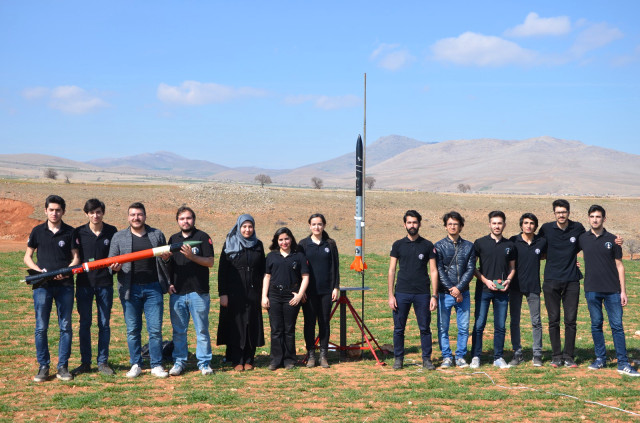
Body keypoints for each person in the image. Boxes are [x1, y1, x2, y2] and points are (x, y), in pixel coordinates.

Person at [109, 202, 171, 378]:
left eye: (139, 214)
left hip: (153, 288)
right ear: (128, 217)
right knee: (132, 330)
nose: (136, 218)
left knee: (155, 330)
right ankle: (136, 363)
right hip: (130, 289)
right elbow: (110, 262)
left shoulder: (157, 234)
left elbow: (165, 262)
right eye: (132, 215)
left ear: (145, 216)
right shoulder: (119, 237)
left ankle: (157, 364)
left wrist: (166, 260)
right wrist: (114, 267)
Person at [25, 195, 79, 382]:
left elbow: (76, 259)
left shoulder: (70, 232)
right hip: (42, 286)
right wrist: (40, 272)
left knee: (65, 327)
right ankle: (43, 366)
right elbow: (27, 257)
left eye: (58, 210)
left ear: (63, 211)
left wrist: (66, 271)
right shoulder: (37, 231)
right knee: (41, 328)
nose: (54, 213)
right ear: (45, 211)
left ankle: (63, 367)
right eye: (51, 209)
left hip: (64, 286)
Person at [579, 205, 639, 376]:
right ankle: (600, 359)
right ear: (588, 218)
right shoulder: (583, 238)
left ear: (604, 219)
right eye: (592, 216)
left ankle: (623, 362)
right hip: (591, 290)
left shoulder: (613, 240)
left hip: (613, 291)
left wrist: (623, 291)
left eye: (598, 216)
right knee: (596, 325)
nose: (595, 219)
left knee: (617, 326)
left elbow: (620, 266)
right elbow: (568, 254)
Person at [70, 198, 118, 376]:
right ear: (86, 214)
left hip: (105, 284)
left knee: (104, 324)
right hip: (84, 285)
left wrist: (116, 267)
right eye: (91, 212)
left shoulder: (112, 231)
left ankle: (103, 362)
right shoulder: (79, 232)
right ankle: (85, 363)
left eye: (98, 211)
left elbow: (117, 256)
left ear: (103, 212)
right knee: (85, 324)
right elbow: (75, 258)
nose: (95, 215)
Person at [387, 210, 438, 371]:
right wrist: (390, 295)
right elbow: (392, 270)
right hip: (401, 292)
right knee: (399, 328)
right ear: (404, 225)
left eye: (415, 222)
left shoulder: (428, 245)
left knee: (424, 328)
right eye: (409, 222)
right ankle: (398, 358)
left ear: (420, 224)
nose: (412, 225)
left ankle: (426, 359)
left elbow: (434, 271)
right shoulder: (398, 245)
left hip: (422, 293)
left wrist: (434, 295)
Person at [166, 206, 215, 376]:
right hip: (178, 292)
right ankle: (179, 361)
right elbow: (169, 265)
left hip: (198, 292)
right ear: (177, 220)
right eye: (182, 218)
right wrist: (169, 283)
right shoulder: (173, 239)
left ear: (193, 219)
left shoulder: (202, 237)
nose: (185, 221)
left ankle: (204, 363)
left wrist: (192, 257)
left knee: (201, 329)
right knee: (179, 330)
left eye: (188, 218)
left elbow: (210, 262)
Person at [538, 199, 585, 368]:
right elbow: (537, 248)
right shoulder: (546, 229)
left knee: (571, 320)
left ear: (569, 213)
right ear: (554, 214)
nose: (561, 215)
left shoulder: (577, 228)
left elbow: (588, 242)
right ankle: (556, 356)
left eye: (564, 212)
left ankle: (569, 356)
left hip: (572, 281)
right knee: (553, 320)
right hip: (551, 280)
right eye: (558, 212)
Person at [217, 214, 266, 371]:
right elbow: (222, 271)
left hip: (253, 292)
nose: (247, 229)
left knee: (251, 324)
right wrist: (222, 293)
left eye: (250, 226)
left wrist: (263, 294)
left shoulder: (258, 245)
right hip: (233, 293)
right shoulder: (229, 243)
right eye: (244, 226)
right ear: (238, 227)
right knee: (236, 325)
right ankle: (237, 359)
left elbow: (263, 270)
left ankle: (249, 358)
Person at [470, 211, 516, 369]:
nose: (497, 226)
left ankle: (498, 357)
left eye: (500, 223)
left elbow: (512, 267)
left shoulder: (509, 245)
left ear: (504, 224)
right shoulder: (479, 243)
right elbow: (473, 268)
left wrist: (508, 280)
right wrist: (485, 281)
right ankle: (476, 356)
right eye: (494, 223)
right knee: (479, 324)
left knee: (500, 325)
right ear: (489, 224)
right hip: (483, 289)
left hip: (502, 291)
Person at [262, 227, 309, 370]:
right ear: (277, 241)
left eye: (286, 239)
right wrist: (264, 296)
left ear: (291, 239)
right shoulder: (271, 256)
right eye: (281, 239)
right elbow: (267, 276)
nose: (284, 242)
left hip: (291, 296)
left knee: (289, 329)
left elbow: (305, 277)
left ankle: (289, 360)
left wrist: (300, 295)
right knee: (276, 329)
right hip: (274, 295)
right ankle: (276, 360)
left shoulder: (299, 256)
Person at [297, 213, 340, 369]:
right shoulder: (303, 244)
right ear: (309, 226)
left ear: (324, 226)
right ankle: (311, 355)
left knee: (324, 322)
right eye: (314, 224)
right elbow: (299, 269)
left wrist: (336, 287)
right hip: (308, 292)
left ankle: (323, 355)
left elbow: (335, 267)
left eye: (320, 224)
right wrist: (301, 291)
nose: (317, 227)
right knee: (309, 323)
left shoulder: (330, 244)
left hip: (326, 291)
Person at [434, 211, 475, 369]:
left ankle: (460, 356)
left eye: (456, 224)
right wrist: (452, 289)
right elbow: (439, 270)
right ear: (445, 226)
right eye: (450, 224)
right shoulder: (438, 246)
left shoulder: (469, 246)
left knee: (463, 327)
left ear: (461, 226)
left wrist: (459, 288)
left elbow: (470, 269)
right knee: (443, 327)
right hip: (445, 294)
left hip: (463, 293)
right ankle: (446, 356)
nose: (452, 227)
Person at [508, 213, 547, 367]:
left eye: (531, 223)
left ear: (535, 226)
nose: (528, 225)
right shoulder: (513, 241)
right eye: (525, 223)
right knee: (514, 321)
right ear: (521, 225)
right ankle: (517, 354)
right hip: (515, 287)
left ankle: (537, 354)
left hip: (533, 287)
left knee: (536, 321)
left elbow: (551, 255)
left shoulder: (541, 242)